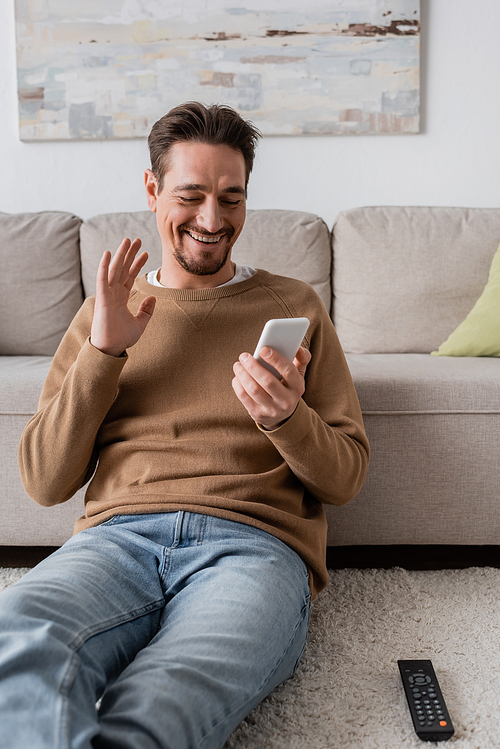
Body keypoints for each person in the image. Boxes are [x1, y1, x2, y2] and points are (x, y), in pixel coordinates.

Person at [0, 102, 369, 749]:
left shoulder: (294, 305)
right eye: (191, 195)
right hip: (117, 541)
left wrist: (286, 417)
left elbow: (344, 477)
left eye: (231, 197)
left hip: (253, 547)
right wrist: (105, 352)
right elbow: (42, 480)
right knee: (19, 636)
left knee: (167, 692)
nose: (211, 219)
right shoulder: (103, 312)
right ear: (152, 189)